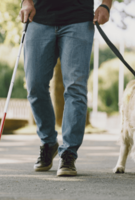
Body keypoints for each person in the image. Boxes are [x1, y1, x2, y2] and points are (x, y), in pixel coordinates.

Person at [20, 0, 112, 176]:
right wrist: (26, 2)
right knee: (35, 86)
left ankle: (69, 153)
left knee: (75, 88)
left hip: (78, 20)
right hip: (39, 18)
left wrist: (106, 5)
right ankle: (48, 143)